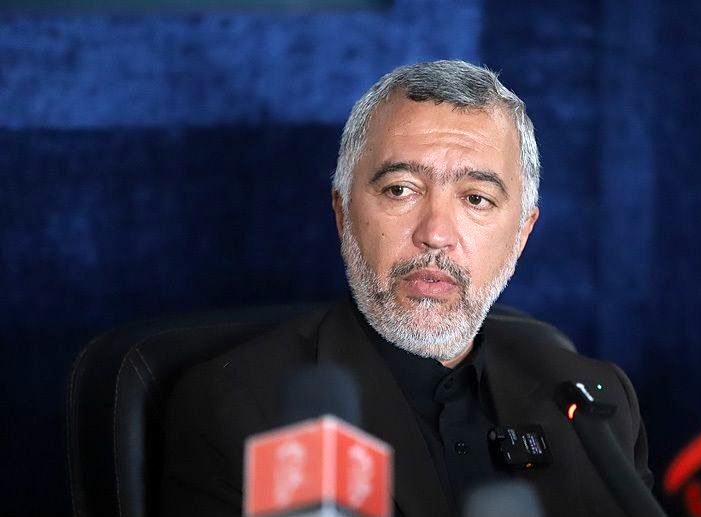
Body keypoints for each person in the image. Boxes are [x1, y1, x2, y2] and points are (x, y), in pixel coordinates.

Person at [160, 60, 652, 517]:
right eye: (400, 189)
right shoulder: (240, 411)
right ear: (342, 212)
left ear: (521, 234)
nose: (435, 233)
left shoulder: (600, 407)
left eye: (476, 199)